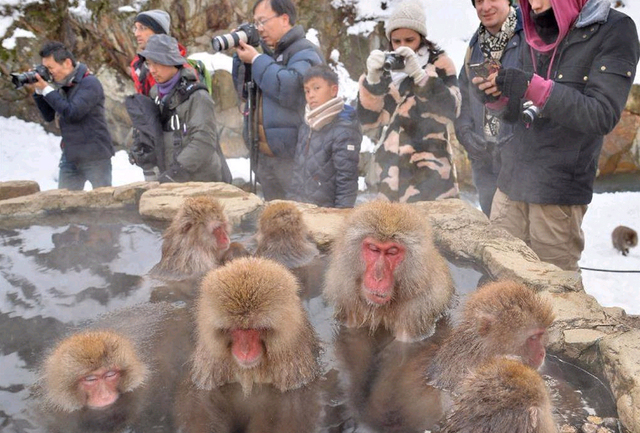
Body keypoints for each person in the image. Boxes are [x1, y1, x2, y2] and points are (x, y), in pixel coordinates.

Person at [479, 0, 639, 271]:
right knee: (499, 281)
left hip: (558, 191)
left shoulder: (614, 29)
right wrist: (498, 98)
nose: (534, 4)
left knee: (553, 293)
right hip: (510, 183)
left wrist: (533, 87)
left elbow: (602, 114)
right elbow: (521, 108)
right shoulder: (528, 26)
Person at [357, 0, 461, 203]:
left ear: (422, 38)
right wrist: (372, 82)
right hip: (389, 174)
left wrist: (421, 77)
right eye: (396, 41)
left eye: (409, 40)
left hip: (430, 174)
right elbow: (366, 121)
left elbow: (452, 109)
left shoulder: (439, 64)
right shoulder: (385, 68)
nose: (402, 47)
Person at [232, 0, 324, 200]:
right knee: (273, 223)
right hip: (267, 160)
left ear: (284, 19)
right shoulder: (270, 55)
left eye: (263, 21)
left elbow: (290, 88)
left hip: (295, 162)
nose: (260, 29)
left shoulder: (305, 52)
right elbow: (244, 92)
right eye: (255, 23)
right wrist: (242, 59)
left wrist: (257, 60)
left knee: (297, 222)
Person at [454, 0, 523, 216]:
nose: (485, 7)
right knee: (494, 230)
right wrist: (465, 134)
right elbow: (462, 96)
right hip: (484, 158)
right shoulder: (476, 44)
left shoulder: (531, 36)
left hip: (521, 157)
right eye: (479, 1)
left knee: (526, 238)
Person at [140, 34, 232, 183]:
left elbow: (204, 140)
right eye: (149, 64)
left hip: (202, 182)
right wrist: (142, 149)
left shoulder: (198, 96)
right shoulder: (154, 93)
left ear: (172, 62)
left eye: (157, 63)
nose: (152, 70)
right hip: (171, 178)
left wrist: (178, 170)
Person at [31, 42, 114, 191]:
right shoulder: (63, 85)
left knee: (103, 203)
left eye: (50, 68)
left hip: (95, 156)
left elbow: (72, 113)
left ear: (67, 63)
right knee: (64, 206)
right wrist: (39, 92)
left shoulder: (89, 83)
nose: (48, 73)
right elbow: (49, 116)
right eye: (45, 68)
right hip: (70, 155)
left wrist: (47, 90)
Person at [289, 65, 362, 208]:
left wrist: (342, 214)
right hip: (303, 208)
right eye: (307, 90)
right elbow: (297, 171)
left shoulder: (344, 128)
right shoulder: (307, 125)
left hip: (328, 212)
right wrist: (292, 201)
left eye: (316, 88)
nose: (311, 95)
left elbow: (347, 179)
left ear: (333, 90)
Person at [131, 9, 186, 96]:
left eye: (143, 28)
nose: (136, 34)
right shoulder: (138, 63)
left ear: (158, 32)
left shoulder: (176, 65)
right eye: (136, 28)